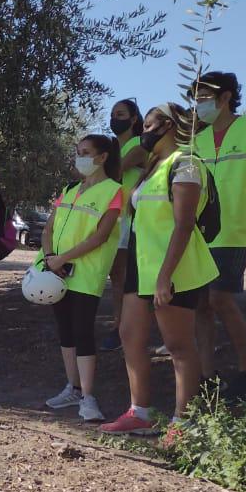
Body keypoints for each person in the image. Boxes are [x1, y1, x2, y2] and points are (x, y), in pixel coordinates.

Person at [101, 103, 219, 436]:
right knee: (129, 335)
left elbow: (183, 225)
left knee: (178, 345)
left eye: (150, 124)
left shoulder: (187, 164)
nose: (143, 131)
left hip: (175, 269)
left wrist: (165, 276)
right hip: (143, 264)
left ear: (168, 126)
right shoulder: (152, 165)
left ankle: (183, 422)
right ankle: (140, 411)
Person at [189, 72, 246, 400]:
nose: (197, 105)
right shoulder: (197, 140)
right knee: (200, 304)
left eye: (202, 97)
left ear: (225, 97)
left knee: (219, 298)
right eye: (195, 99)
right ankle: (207, 375)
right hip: (200, 233)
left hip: (235, 230)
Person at [41, 135, 124, 422]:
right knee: (65, 330)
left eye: (86, 153)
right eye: (77, 153)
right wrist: (52, 256)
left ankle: (89, 397)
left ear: (102, 157)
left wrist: (64, 258)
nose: (80, 158)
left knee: (83, 331)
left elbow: (101, 236)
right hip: (57, 272)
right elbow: (48, 228)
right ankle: (72, 388)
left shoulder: (114, 191)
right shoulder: (68, 189)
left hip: (86, 273)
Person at [100, 99, 148, 352]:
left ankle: (122, 328)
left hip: (129, 216)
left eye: (120, 114)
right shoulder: (110, 145)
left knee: (122, 275)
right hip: (111, 213)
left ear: (133, 119)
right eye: (112, 114)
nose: (114, 118)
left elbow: (115, 172)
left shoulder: (139, 145)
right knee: (116, 274)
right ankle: (121, 325)